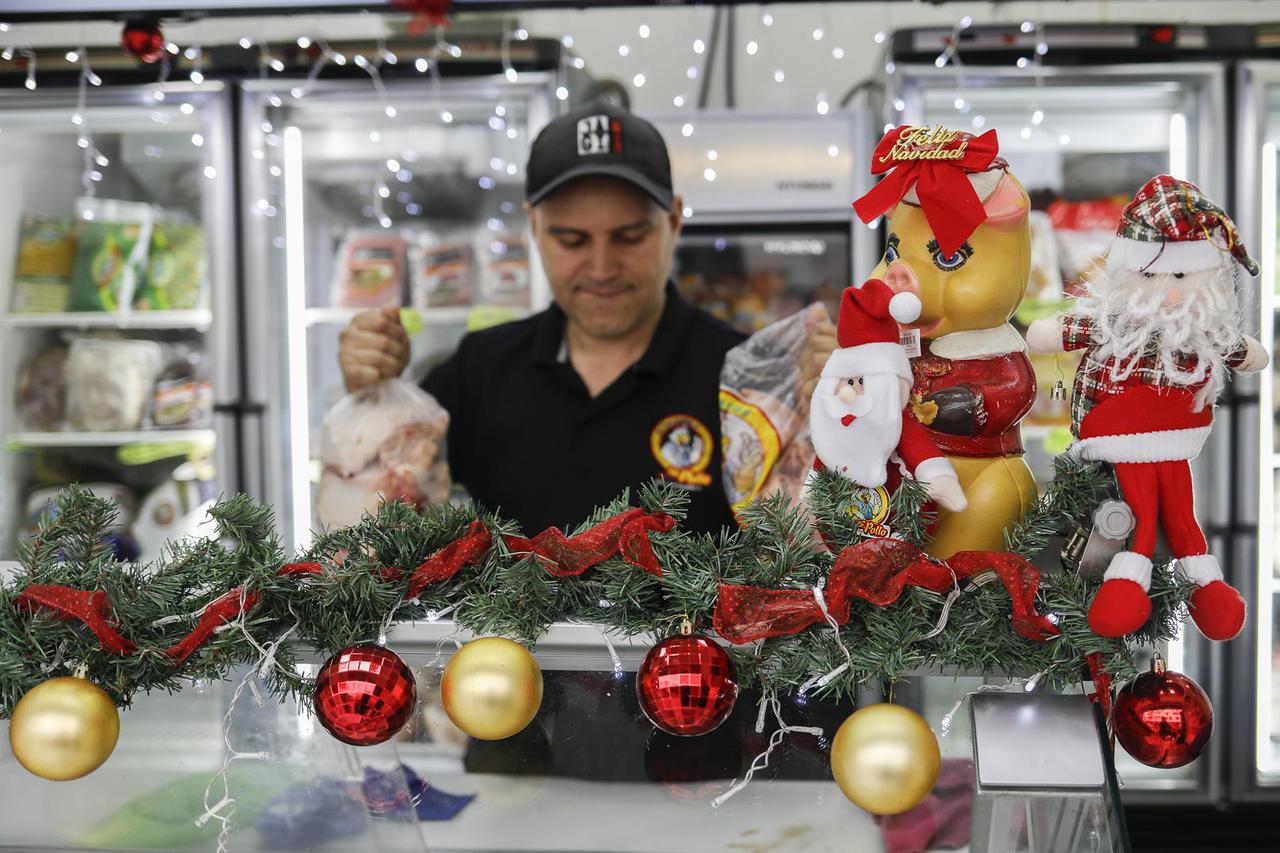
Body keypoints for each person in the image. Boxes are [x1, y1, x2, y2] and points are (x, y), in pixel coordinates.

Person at [338, 102, 836, 535]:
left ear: (674, 221)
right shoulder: (479, 369)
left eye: (629, 236)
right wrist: (376, 384)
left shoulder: (749, 379)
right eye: (572, 240)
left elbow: (817, 544)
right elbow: (386, 514)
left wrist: (843, 411)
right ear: (534, 227)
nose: (601, 268)